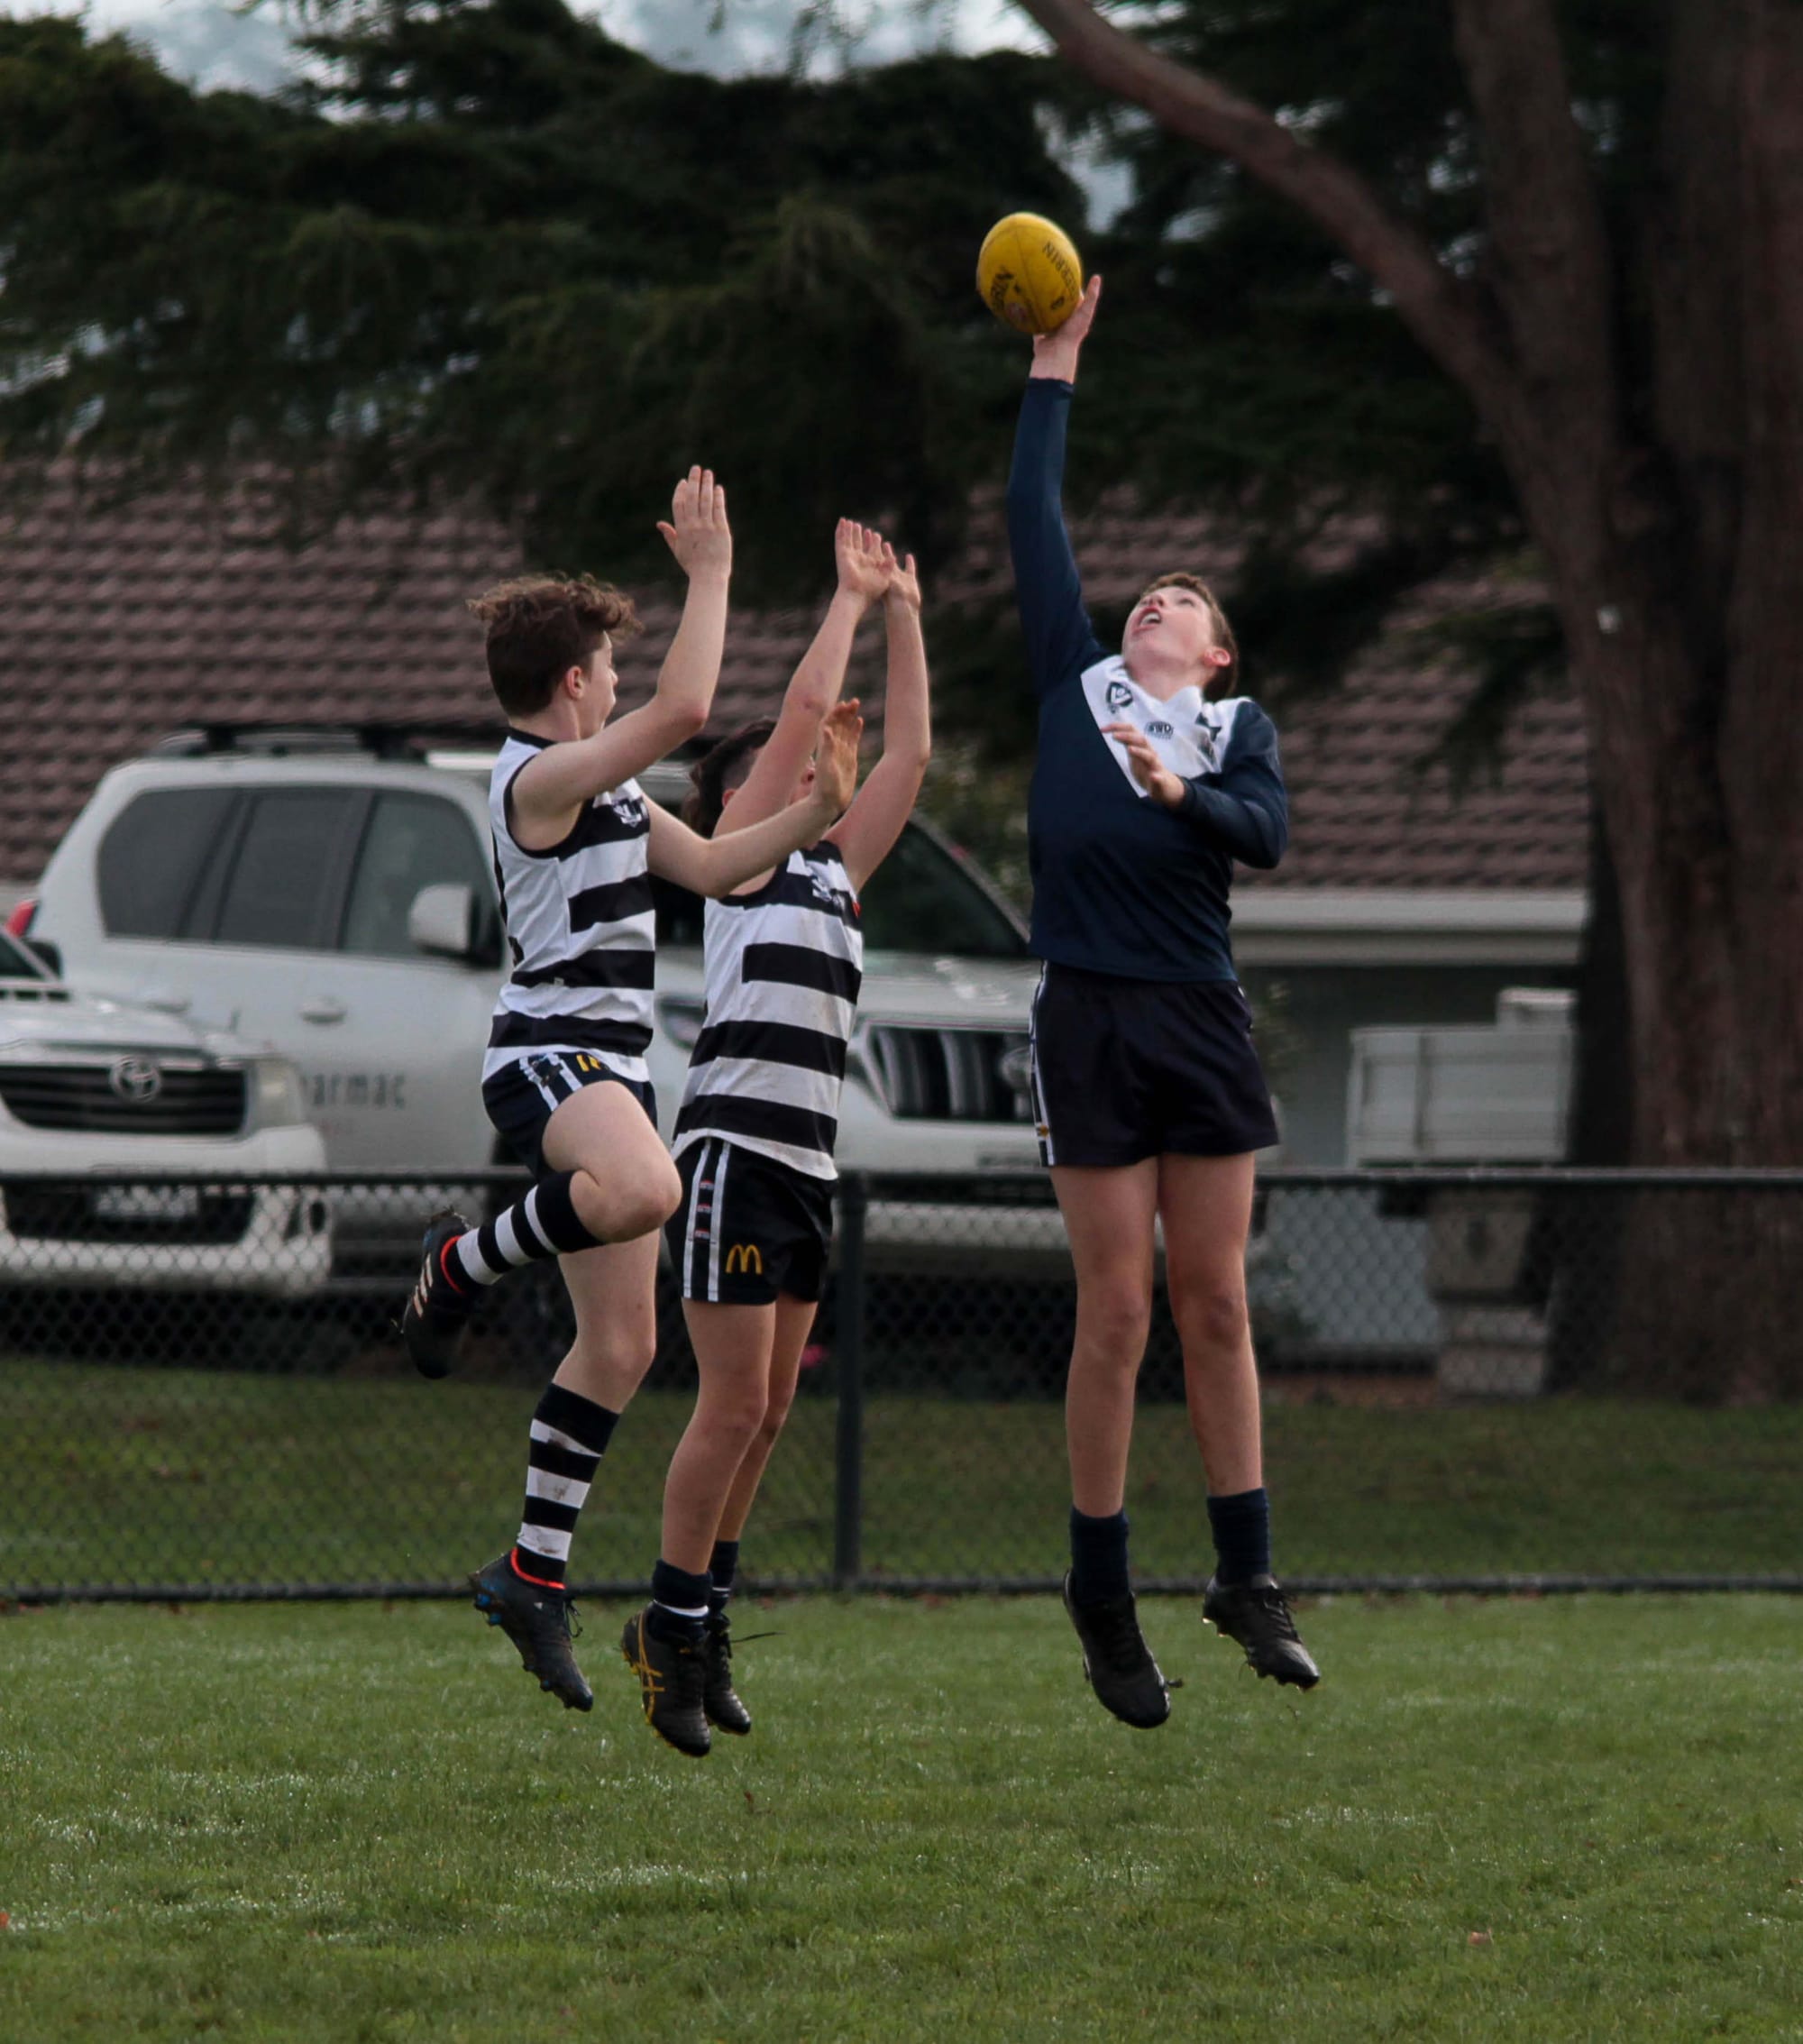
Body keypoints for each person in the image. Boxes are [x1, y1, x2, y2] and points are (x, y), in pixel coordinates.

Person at [400, 466, 863, 1716]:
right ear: (573, 687)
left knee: (621, 1342)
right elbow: (692, 704)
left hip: (614, 1065)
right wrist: (710, 574)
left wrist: (816, 811)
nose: (620, 683)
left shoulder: (602, 791)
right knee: (645, 1186)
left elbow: (713, 865)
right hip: (549, 1051)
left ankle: (529, 1574)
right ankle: (455, 1270)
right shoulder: (534, 783)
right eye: (607, 670)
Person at [1006, 277, 1320, 1727]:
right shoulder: (1079, 688)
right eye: (1149, 593)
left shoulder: (1231, 730)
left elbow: (1261, 834)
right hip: (1090, 1011)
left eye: (1185, 600)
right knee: (1116, 1311)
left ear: (1217, 650)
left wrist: (1182, 788)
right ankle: (1098, 1588)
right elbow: (1034, 523)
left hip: (1197, 1012)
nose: (1156, 599)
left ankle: (1247, 1575)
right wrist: (1054, 367)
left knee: (1216, 1302)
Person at [619, 520, 930, 1757]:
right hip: (735, 1161)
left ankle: (706, 1619)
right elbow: (804, 710)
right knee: (731, 1401)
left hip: (805, 1168)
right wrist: (844, 598)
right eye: (786, 761)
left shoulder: (838, 875)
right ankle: (666, 1629)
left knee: (768, 1419)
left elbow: (908, 749)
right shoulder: (744, 865)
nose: (818, 754)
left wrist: (905, 608)